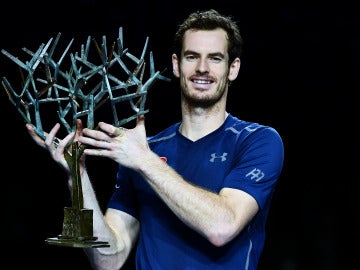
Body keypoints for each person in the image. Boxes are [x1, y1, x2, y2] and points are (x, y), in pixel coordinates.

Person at [26, 9, 284, 270]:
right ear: (176, 64)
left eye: (215, 58)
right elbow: (108, 259)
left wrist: (145, 161)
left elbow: (222, 227)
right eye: (192, 57)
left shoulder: (258, 141)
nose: (202, 68)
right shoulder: (144, 150)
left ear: (233, 68)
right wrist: (77, 177)